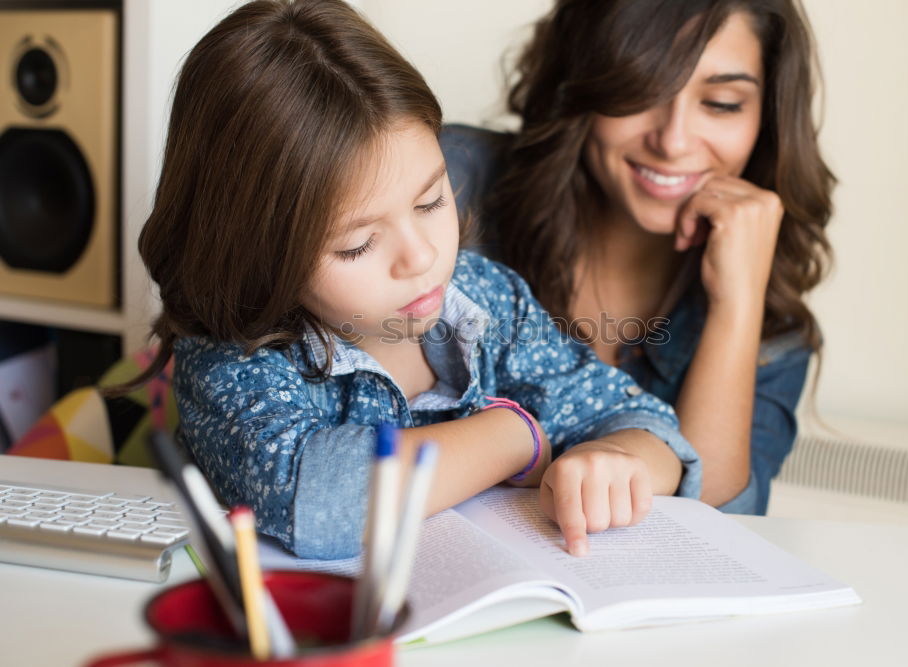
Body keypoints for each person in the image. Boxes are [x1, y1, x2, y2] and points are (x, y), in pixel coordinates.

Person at [117, 0, 700, 560]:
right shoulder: (233, 353)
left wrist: (614, 459)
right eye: (357, 244)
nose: (421, 257)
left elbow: (645, 425)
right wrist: (513, 437)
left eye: (430, 201)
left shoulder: (483, 296)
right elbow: (313, 498)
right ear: (256, 252)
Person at [443, 0, 834, 515]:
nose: (672, 141)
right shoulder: (447, 185)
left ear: (768, 118)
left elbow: (713, 530)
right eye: (643, 90)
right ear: (582, 82)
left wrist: (737, 303)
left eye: (720, 103)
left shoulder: (775, 331)